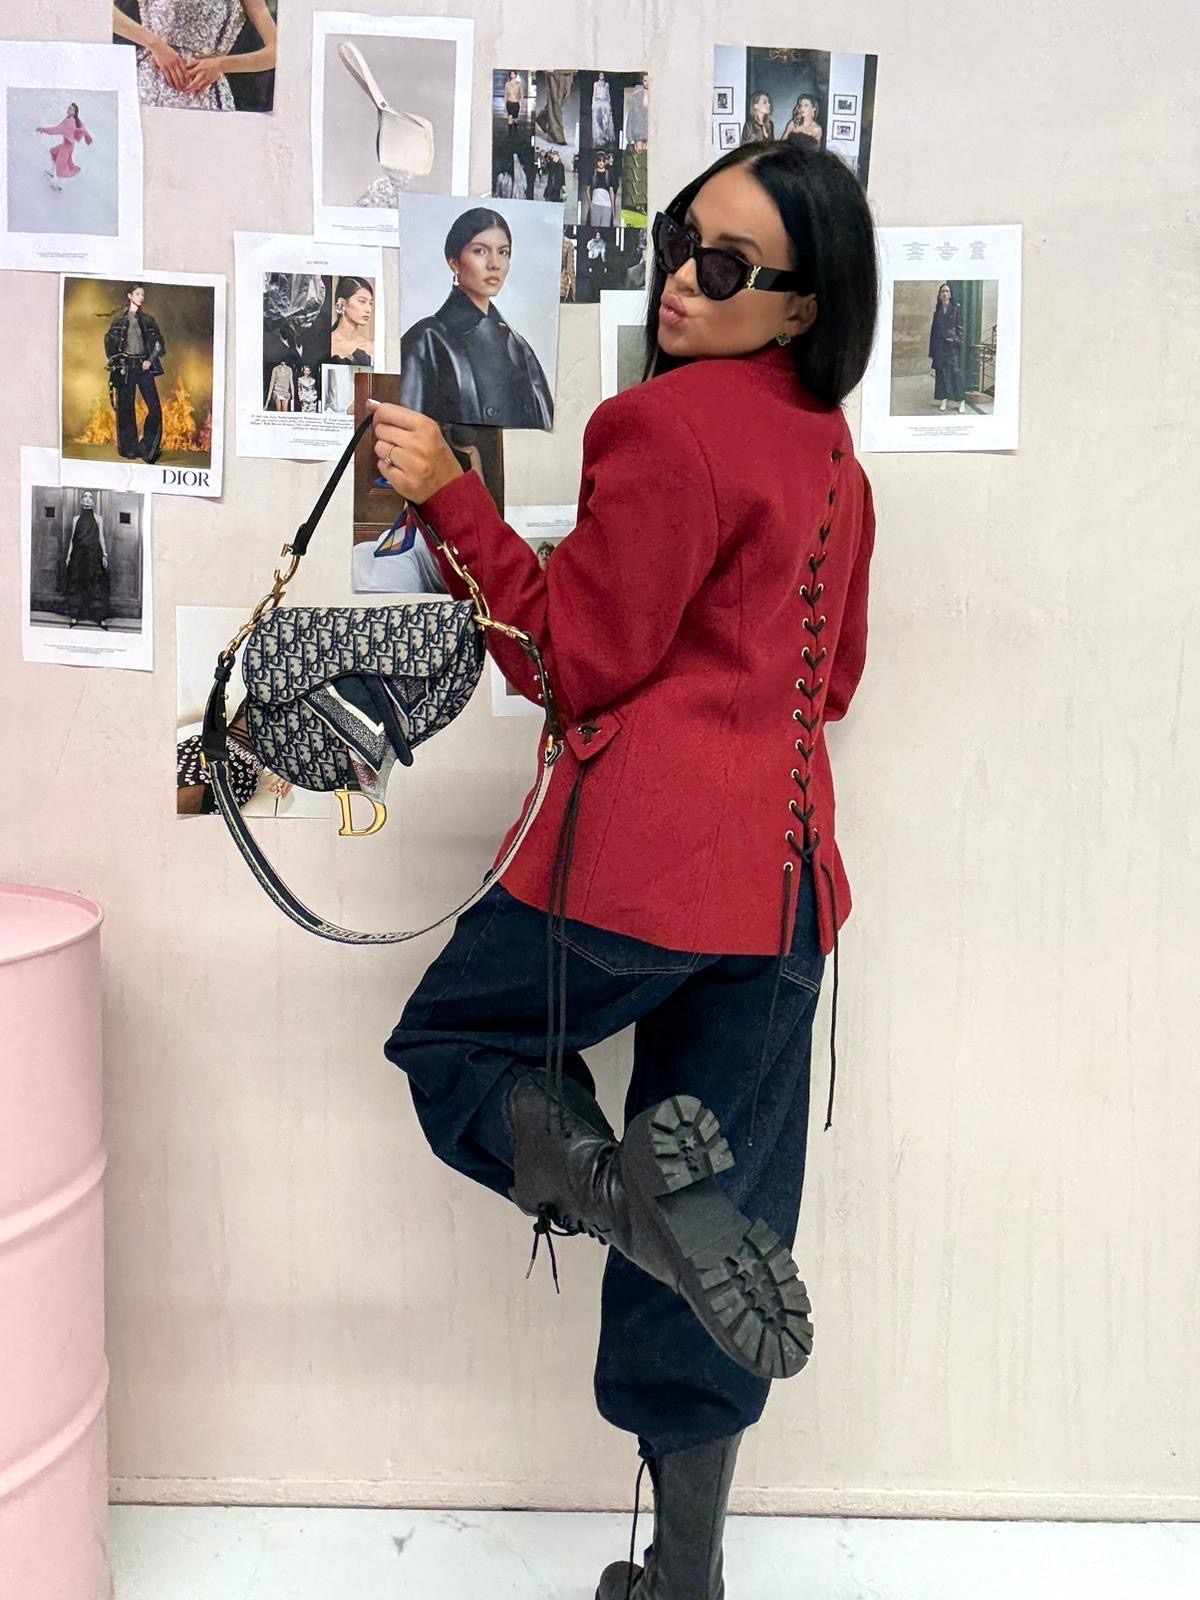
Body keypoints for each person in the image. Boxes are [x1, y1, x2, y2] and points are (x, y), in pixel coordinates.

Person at [371, 138, 878, 1600]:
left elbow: (569, 659)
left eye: (725, 264)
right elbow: (835, 679)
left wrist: (450, 495)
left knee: (454, 1044)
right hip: (786, 894)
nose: (681, 279)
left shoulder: (658, 426)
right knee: (731, 1216)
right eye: (678, 242)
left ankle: (619, 1197)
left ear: (800, 305)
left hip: (640, 868)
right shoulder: (836, 461)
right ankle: (686, 1578)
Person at [398, 206, 554, 429]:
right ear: (454, 262)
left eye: (503, 252)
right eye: (480, 251)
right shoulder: (426, 340)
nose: (494, 264)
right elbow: (406, 434)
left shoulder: (518, 345)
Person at [111, 0, 277, 112]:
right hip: (147, 83)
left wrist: (221, 65)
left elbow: (276, 52)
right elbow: (102, 8)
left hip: (205, 92)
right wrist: (154, 44)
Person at [103, 285, 164, 462]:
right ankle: (129, 449)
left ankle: (147, 449)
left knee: (154, 408)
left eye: (143, 294)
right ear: (130, 296)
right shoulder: (119, 320)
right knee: (125, 409)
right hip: (126, 369)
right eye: (137, 294)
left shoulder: (148, 320)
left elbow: (159, 344)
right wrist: (117, 362)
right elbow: (109, 342)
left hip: (144, 367)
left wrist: (149, 360)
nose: (141, 297)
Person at [64, 490, 109, 629]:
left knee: (96, 584)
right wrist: (68, 555)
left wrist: (104, 554)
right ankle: (74, 616)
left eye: (90, 497)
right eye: (85, 497)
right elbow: (72, 539)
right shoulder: (76, 519)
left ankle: (100, 618)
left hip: (94, 556)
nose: (88, 499)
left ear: (93, 502)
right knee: (76, 584)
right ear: (81, 501)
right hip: (78, 556)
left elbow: (101, 536)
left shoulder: (98, 518)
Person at [929, 282, 967, 412]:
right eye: (942, 291)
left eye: (947, 291)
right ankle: (943, 399)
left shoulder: (956, 309)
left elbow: (960, 329)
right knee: (941, 374)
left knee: (956, 374)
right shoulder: (937, 313)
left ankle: (961, 401)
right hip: (939, 347)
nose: (945, 294)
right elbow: (933, 332)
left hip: (952, 347)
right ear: (939, 295)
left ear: (950, 295)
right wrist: (932, 351)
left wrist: (956, 341)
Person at [37, 102, 92, 189]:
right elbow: (83, 127)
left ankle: (59, 185)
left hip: (68, 146)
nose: (69, 109)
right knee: (54, 152)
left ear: (74, 112)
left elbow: (56, 130)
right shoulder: (73, 119)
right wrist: (87, 137)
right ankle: (51, 172)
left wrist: (43, 129)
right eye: (69, 108)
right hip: (68, 144)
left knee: (61, 164)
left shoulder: (69, 122)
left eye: (71, 109)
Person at [327, 276, 375, 366]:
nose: (368, 309)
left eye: (370, 303)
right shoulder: (325, 345)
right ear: (342, 303)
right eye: (362, 301)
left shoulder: (372, 348)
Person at [591, 70, 616, 143]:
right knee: (598, 119)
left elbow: (608, 94)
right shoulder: (596, 84)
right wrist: (593, 103)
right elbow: (594, 94)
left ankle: (605, 134)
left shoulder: (606, 84)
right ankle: (599, 136)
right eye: (600, 75)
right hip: (598, 102)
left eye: (602, 75)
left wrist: (609, 103)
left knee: (606, 120)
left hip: (605, 103)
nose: (601, 76)